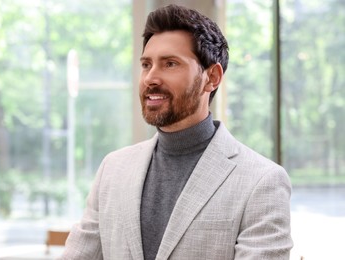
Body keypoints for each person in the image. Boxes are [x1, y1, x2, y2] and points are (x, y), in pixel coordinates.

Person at [59, 4, 293, 260]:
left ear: (212, 77)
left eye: (170, 64)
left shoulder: (261, 181)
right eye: (146, 64)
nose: (151, 78)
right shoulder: (113, 169)